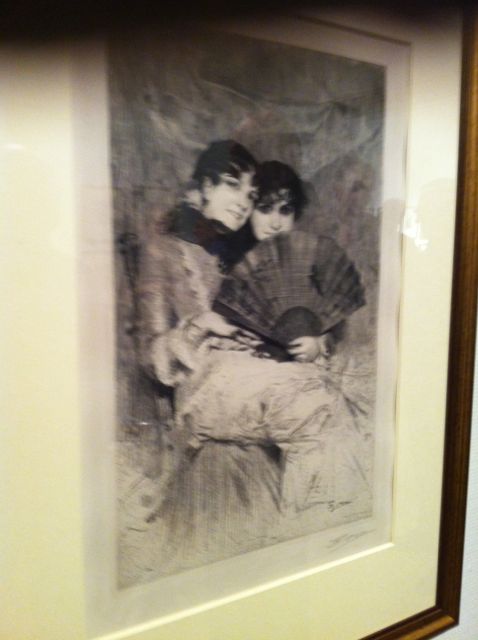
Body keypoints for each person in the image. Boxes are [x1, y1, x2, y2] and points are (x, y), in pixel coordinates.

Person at [137, 141, 284, 575]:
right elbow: (150, 354)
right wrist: (201, 324)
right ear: (201, 187)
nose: (243, 201)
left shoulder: (243, 256)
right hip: (199, 408)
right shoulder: (163, 251)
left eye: (251, 194)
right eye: (232, 185)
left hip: (253, 396)